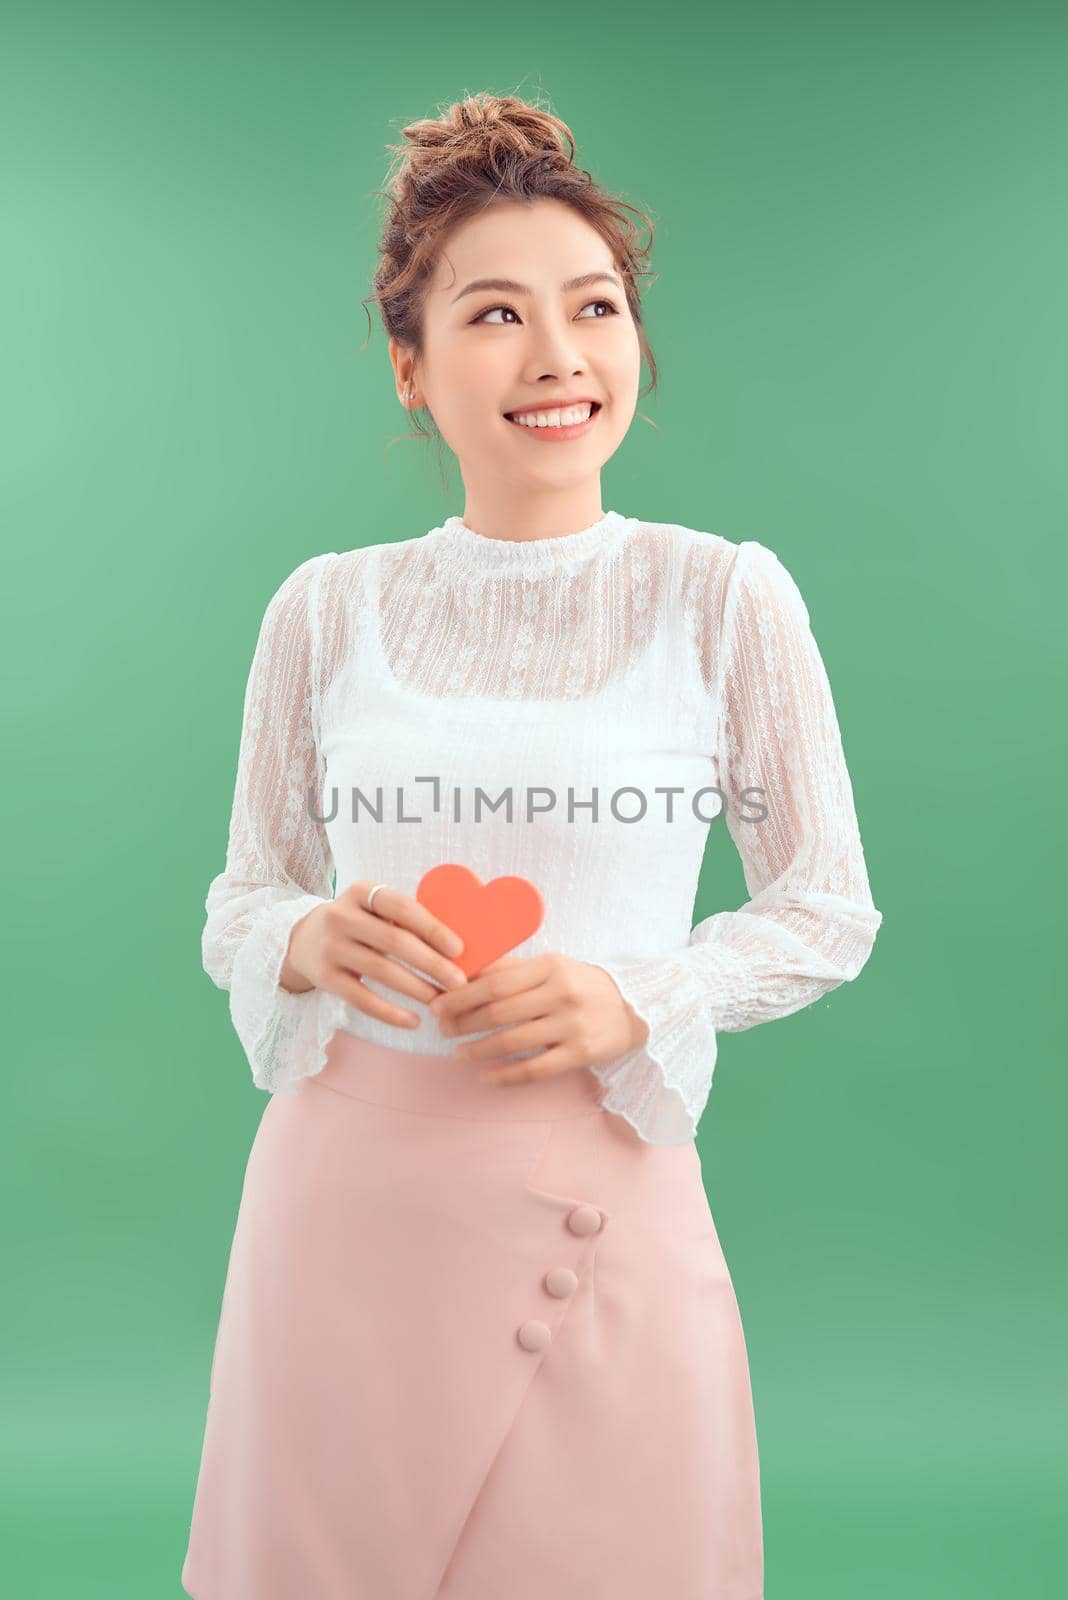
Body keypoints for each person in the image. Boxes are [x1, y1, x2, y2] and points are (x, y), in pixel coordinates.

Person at [181, 91, 882, 1600]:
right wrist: (302, 936)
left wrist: (640, 994)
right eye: (495, 314)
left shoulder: (720, 598)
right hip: (345, 1213)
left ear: (631, 340)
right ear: (411, 366)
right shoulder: (326, 609)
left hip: (603, 1190)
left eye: (595, 308)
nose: (559, 357)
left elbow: (825, 905)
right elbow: (243, 892)